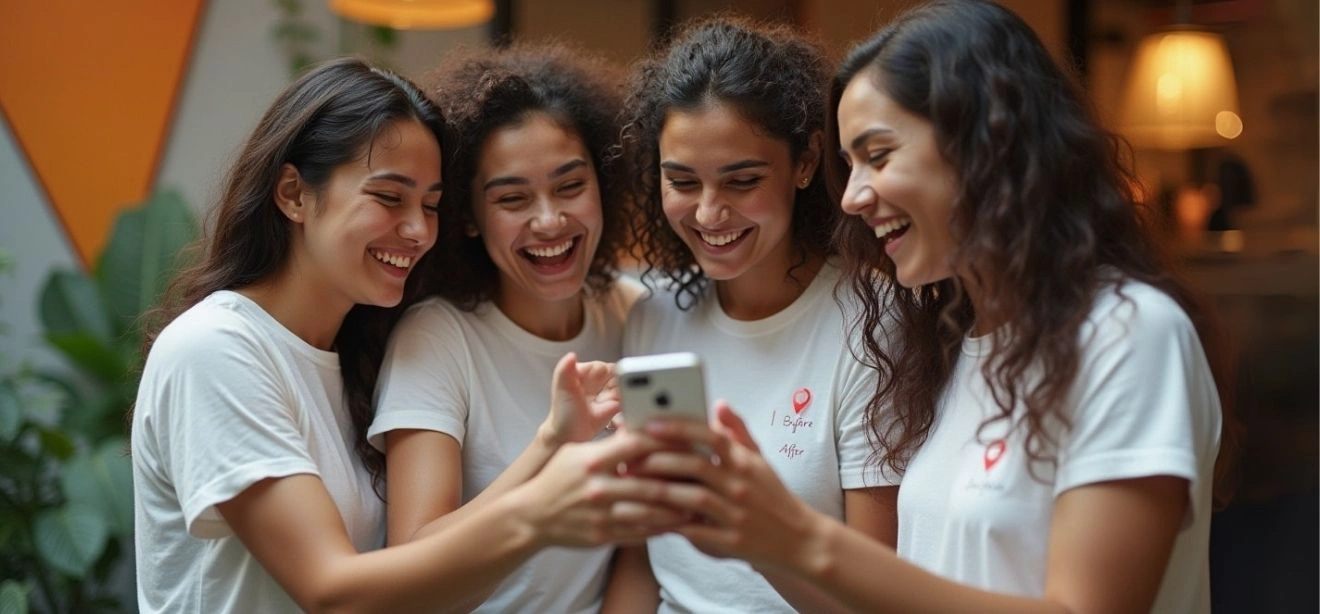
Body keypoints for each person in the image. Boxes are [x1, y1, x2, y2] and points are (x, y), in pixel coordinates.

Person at [632, 2, 1233, 612]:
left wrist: (797, 535)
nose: (855, 195)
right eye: (851, 163)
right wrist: (762, 538)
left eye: (878, 154)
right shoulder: (951, 341)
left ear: (985, 143)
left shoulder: (1127, 331)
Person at [132, 56, 675, 613]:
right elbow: (331, 592)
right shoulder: (216, 349)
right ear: (293, 193)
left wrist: (551, 445)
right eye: (389, 197)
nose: (417, 230)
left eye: (432, 205)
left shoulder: (351, 350)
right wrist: (541, 509)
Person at [610, 17, 896, 613]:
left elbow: (877, 595)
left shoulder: (871, 325)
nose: (710, 213)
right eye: (682, 181)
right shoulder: (651, 320)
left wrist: (754, 532)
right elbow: (641, 557)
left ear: (806, 161)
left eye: (742, 180)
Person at [365, 43, 649, 613]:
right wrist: (552, 445)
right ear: (467, 216)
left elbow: (641, 545)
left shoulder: (635, 314)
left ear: (604, 184)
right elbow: (414, 557)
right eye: (513, 198)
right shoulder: (439, 338)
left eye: (570, 186)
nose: (549, 220)